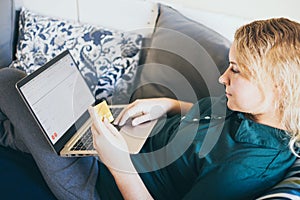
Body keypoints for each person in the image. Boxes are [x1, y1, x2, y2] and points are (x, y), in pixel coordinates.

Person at [0, 17, 299, 200]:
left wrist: (118, 162)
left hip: (101, 184)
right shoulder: (256, 109)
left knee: (11, 81)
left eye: (236, 70)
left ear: (280, 86)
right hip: (130, 142)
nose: (223, 78)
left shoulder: (244, 169)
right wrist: (167, 105)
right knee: (41, 117)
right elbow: (215, 120)